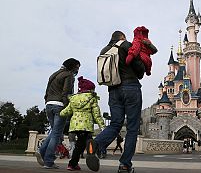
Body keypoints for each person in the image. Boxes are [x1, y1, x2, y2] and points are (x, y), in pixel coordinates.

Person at [86, 31, 148, 173]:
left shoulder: (104, 50)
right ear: (122, 37)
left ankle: (95, 144)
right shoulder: (126, 45)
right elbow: (139, 69)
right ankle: (125, 164)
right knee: (132, 128)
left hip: (113, 91)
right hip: (131, 87)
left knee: (115, 124)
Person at [35, 58, 80, 169]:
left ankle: (42, 151)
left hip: (49, 105)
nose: (77, 69)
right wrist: (68, 108)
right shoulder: (68, 75)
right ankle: (49, 161)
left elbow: (47, 91)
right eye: (77, 67)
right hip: (59, 105)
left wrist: (47, 101)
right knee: (56, 134)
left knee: (55, 132)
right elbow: (66, 93)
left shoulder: (54, 74)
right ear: (72, 66)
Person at [60, 76, 106, 170]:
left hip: (75, 126)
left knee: (80, 144)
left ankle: (73, 164)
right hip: (86, 126)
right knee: (86, 142)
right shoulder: (92, 98)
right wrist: (102, 126)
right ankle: (89, 153)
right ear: (90, 89)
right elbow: (96, 114)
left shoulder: (74, 99)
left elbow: (67, 111)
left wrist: (60, 113)